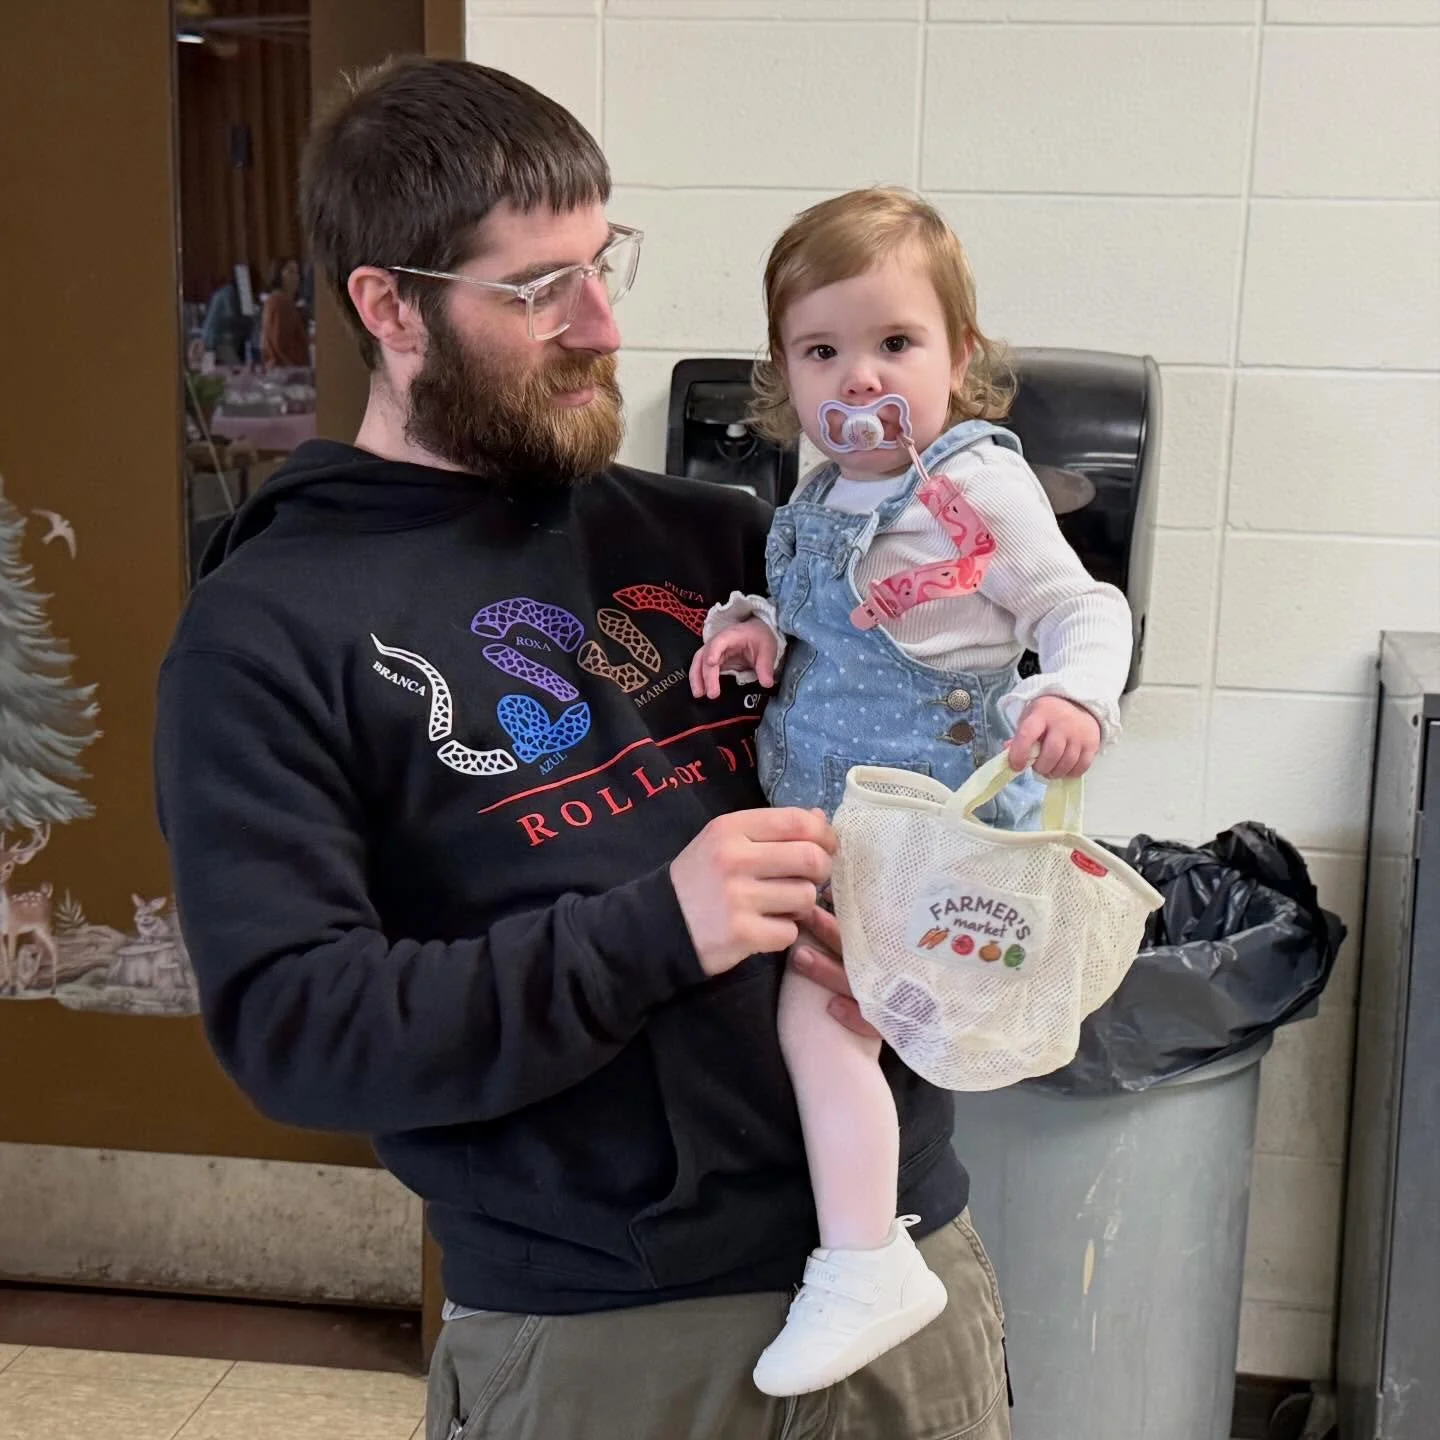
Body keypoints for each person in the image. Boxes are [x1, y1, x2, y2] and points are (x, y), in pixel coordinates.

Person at [154, 59, 1011, 1440]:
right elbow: (299, 1031)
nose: (603, 322)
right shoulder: (267, 633)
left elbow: (933, 758)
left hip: (912, 1275)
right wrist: (655, 931)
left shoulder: (719, 540)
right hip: (610, 1346)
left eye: (602, 258)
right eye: (537, 287)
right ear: (392, 307)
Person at [690, 188, 1134, 1396]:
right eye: (822, 351)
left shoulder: (969, 485)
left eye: (895, 343)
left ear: (960, 357)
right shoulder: (820, 492)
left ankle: (863, 1261)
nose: (858, 379)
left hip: (925, 817)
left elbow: (1078, 605)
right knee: (820, 1017)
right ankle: (850, 1238)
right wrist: (758, 636)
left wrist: (1077, 696)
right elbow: (847, 633)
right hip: (837, 815)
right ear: (783, 372)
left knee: (823, 1022)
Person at [260, 255, 311, 368]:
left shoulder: (282, 301)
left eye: (297, 272)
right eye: (290, 271)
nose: (295, 277)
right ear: (279, 274)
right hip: (286, 370)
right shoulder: (280, 301)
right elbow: (279, 343)